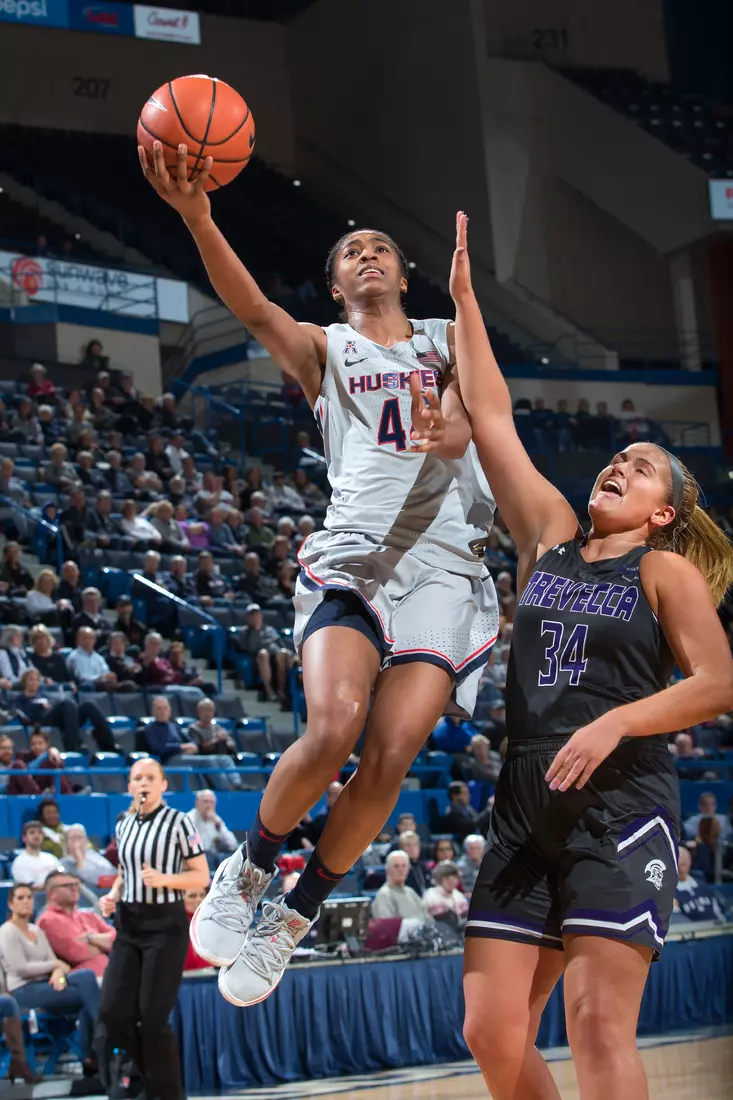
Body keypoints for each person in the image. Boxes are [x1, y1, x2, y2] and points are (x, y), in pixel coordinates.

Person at [140, 144, 499, 1010]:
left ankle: (293, 919)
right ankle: (250, 867)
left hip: (445, 567)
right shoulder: (324, 349)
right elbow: (252, 307)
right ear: (336, 286)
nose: (366, 255)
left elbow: (473, 423)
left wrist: (450, 431)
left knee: (392, 753)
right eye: (350, 252)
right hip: (357, 554)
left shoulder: (448, 337)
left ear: (402, 275)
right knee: (334, 724)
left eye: (379, 248)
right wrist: (198, 217)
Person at [444, 212, 733, 1100]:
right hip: (525, 797)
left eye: (641, 466)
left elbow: (718, 683)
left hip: (621, 802)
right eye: (618, 456)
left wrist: (616, 723)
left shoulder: (663, 572)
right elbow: (491, 417)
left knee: (599, 1026)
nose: (620, 463)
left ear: (661, 513)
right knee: (490, 1031)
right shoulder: (548, 539)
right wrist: (464, 302)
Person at [98, 758, 209, 1100]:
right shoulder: (124, 823)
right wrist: (113, 895)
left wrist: (164, 879)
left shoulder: (178, 822)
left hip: (165, 925)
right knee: (112, 1012)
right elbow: (125, 870)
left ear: (163, 785)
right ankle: (152, 1076)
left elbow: (201, 875)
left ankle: (166, 1093)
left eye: (150, 777)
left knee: (152, 1018)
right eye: (137, 778)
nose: (143, 783)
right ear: (129, 786)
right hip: (129, 924)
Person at [0, 884, 101, 1064]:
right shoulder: (7, 932)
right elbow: (20, 968)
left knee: (86, 976)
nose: (26, 902)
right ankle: (104, 1033)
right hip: (23, 990)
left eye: (29, 897)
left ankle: (94, 1050)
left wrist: (58, 974)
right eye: (20, 898)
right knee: (89, 994)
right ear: (10, 904)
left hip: (47, 985)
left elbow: (60, 967)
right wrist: (55, 966)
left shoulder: (36, 931)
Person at [13, 667, 116, 753]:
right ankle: (73, 744)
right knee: (67, 703)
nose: (34, 682)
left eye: (36, 680)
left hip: (60, 720)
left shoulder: (44, 695)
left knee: (89, 705)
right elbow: (23, 714)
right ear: (24, 681)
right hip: (41, 722)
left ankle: (109, 744)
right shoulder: (20, 699)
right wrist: (39, 706)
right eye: (31, 679)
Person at [38, 869, 116, 977]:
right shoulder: (48, 920)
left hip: (109, 973)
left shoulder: (89, 916)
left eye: (76, 885)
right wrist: (104, 945)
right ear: (51, 893)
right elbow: (76, 954)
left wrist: (90, 938)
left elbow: (117, 940)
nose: (74, 888)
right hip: (79, 979)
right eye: (67, 886)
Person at [673, 846, 725, 923]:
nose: (683, 859)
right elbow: (676, 921)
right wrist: (675, 909)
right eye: (679, 857)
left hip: (714, 927)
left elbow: (719, 912)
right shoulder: (669, 892)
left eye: (686, 857)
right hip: (693, 929)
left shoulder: (702, 885)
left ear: (690, 861)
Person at [371, 851, 429, 921]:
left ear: (408, 870)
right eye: (396, 866)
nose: (400, 869)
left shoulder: (411, 892)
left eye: (404, 866)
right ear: (388, 870)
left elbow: (428, 918)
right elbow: (386, 924)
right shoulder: (384, 895)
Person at [189, 789, 238, 871]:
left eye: (212, 802)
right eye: (205, 802)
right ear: (197, 803)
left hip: (213, 859)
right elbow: (192, 845)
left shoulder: (216, 820)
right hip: (196, 859)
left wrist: (219, 826)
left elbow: (233, 844)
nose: (209, 805)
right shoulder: (189, 819)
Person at [60, 823, 117, 889]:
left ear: (85, 840)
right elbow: (89, 880)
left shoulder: (93, 855)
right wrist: (79, 857)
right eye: (73, 838)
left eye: (79, 837)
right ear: (66, 842)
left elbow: (111, 872)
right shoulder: (64, 862)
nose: (76, 841)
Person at [10, 820, 62, 886]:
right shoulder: (19, 862)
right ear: (24, 838)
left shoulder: (51, 858)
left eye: (40, 833)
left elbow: (61, 877)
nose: (36, 835)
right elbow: (28, 887)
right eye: (32, 833)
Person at [422, 860, 469, 926]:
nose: (453, 881)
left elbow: (465, 917)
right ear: (440, 878)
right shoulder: (430, 895)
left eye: (455, 877)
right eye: (447, 878)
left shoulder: (458, 895)